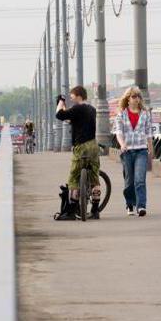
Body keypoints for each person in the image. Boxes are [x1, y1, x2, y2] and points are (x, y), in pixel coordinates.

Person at [55, 85, 101, 220]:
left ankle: (71, 211)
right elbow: (70, 119)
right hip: (93, 146)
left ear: (79, 95)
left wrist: (60, 103)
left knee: (74, 178)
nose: (70, 97)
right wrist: (64, 107)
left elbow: (59, 115)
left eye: (72, 95)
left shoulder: (77, 108)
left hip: (80, 147)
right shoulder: (92, 109)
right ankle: (95, 210)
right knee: (94, 178)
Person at [114, 86, 154, 216]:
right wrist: (122, 144)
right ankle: (130, 204)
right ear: (128, 99)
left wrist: (151, 148)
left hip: (141, 150)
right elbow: (119, 132)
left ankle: (141, 206)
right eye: (134, 96)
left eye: (138, 96)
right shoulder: (121, 114)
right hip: (127, 151)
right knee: (129, 181)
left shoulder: (145, 113)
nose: (137, 99)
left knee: (140, 179)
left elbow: (148, 132)